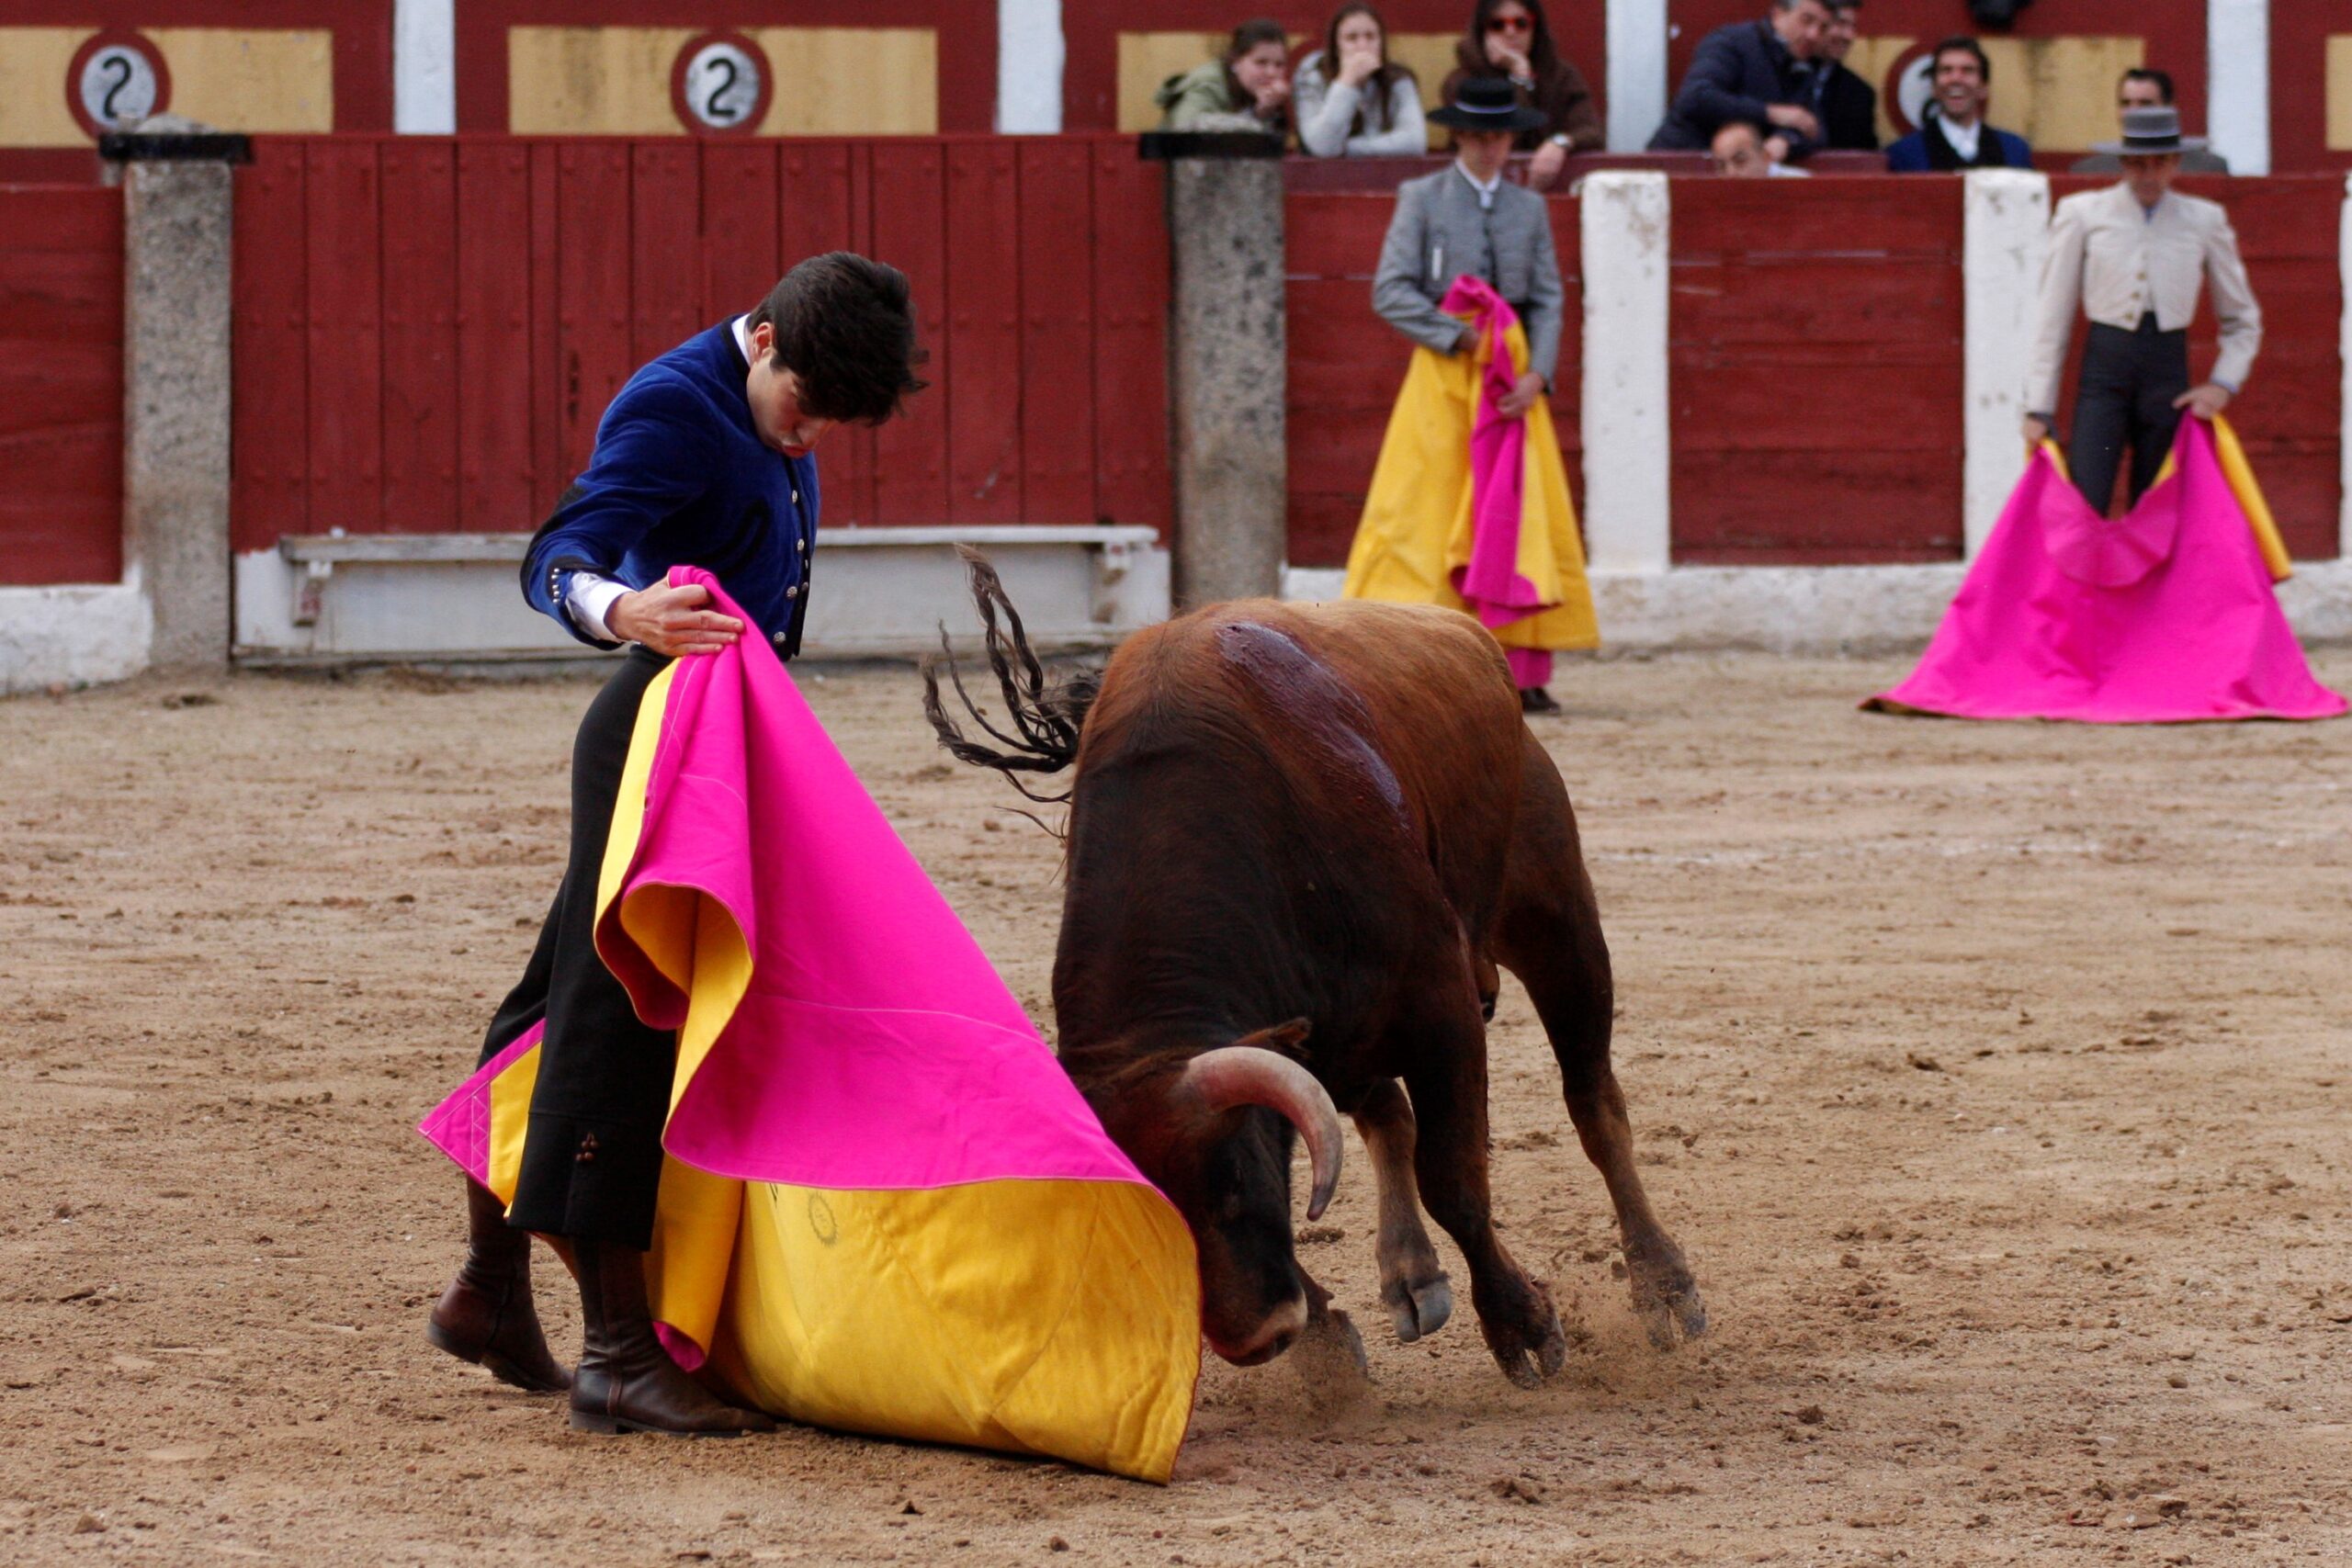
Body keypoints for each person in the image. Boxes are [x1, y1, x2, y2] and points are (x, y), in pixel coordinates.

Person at [425, 253, 925, 1436]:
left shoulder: (767, 392)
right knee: (619, 1015)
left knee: (555, 1005)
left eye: (828, 429)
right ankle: (613, 1354)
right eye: (800, 410)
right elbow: (558, 553)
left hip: (715, 741)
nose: (804, 442)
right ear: (761, 342)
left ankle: (489, 1291)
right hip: (660, 737)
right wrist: (621, 608)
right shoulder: (671, 404)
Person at [1347, 76, 1597, 714]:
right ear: (1458, 135)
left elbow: (1547, 298)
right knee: (1428, 513)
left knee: (1517, 519)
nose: (1489, 147)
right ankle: (1414, 664)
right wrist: (1458, 342)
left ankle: (1521, 671)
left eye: (1499, 135)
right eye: (1478, 134)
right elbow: (1391, 291)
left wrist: (1539, 373)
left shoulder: (1529, 207)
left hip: (1511, 384)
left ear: (1512, 137)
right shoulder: (1421, 197)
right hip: (1444, 377)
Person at [2024, 106, 2259, 510]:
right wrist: (2039, 406)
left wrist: (2223, 383)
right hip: (2105, 373)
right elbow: (2053, 315)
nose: (2148, 175)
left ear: (2176, 163)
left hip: (2167, 377)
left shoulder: (2204, 219)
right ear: (2122, 163)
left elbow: (2243, 320)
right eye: (2137, 164)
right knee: (2085, 497)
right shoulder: (2083, 213)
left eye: (2159, 163)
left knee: (2158, 507)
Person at [1441, 0, 1602, 190]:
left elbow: (1592, 131)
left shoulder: (1562, 76)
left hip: (1551, 189)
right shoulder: (1462, 82)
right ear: (1482, 31)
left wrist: (1559, 143)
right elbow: (1512, 139)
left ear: (1535, 28)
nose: (1511, 32)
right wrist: (1519, 75)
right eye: (1498, 25)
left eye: (1521, 23)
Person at [1649, 0, 1833, 164]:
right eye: (1806, 20)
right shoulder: (1732, 43)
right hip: (1683, 164)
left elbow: (1814, 128)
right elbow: (1696, 98)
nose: (1813, 34)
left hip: (1739, 174)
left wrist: (1786, 140)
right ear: (1778, 13)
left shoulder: (1804, 65)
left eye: (1823, 28)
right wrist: (1771, 113)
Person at [1295, 5, 1427, 156]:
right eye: (1351, 38)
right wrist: (1347, 82)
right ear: (1336, 47)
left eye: (1370, 37)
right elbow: (1323, 147)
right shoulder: (1313, 78)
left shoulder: (1398, 79)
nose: (1362, 46)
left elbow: (1415, 142)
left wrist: (1349, 148)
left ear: (1381, 43)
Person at [1885, 38, 2030, 170]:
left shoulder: (2014, 151)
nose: (1956, 79)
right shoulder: (1904, 154)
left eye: (1967, 70)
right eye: (1946, 70)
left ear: (1983, 88)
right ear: (1934, 88)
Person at [2071, 70, 2230, 175]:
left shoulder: (2207, 168)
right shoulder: (2091, 171)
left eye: (2145, 103)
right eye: (2126, 103)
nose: (2133, 111)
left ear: (2168, 107)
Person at [1157, 18, 1292, 133]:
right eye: (1261, 63)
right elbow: (1186, 129)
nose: (1271, 73)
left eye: (1279, 65)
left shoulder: (1283, 93)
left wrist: (1267, 112)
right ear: (1237, 61)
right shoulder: (1207, 85)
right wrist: (1254, 118)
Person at [1815, 1, 1878, 150]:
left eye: (1853, 27)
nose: (1849, 36)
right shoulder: (1776, 72)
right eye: (1840, 24)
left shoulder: (1860, 94)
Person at [1713, 118, 1812, 176]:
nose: (1731, 173)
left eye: (1740, 161)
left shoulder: (1800, 185)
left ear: (1765, 157)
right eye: (1722, 166)